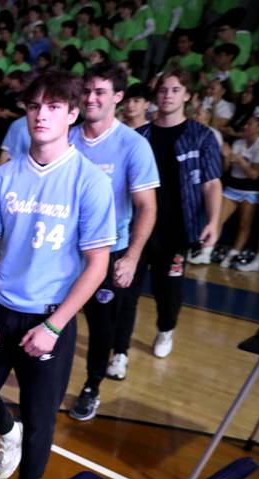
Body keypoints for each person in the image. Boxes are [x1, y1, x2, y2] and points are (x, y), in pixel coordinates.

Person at [0, 68, 116, 479]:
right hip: (0, 310)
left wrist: (54, 325)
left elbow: (98, 263)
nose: (41, 115)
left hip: (49, 319)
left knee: (42, 414)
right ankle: (9, 430)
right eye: (34, 106)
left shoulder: (90, 181)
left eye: (53, 107)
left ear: (72, 113)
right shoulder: (4, 177)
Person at [68, 64, 158, 420]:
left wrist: (132, 257)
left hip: (108, 250)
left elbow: (147, 207)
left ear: (118, 97)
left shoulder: (133, 145)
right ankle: (45, 383)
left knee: (101, 326)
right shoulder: (68, 137)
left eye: (100, 92)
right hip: (62, 249)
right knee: (50, 320)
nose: (91, 98)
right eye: (87, 90)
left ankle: (92, 386)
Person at [120, 69, 222, 359]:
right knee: (126, 290)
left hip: (178, 229)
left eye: (175, 90)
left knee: (168, 291)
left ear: (187, 95)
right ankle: (120, 351)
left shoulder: (202, 136)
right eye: (163, 90)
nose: (168, 95)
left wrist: (213, 221)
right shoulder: (139, 136)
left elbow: (212, 183)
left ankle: (166, 329)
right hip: (137, 227)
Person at [215, 116, 259, 268]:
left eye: (249, 124)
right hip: (232, 187)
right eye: (246, 123)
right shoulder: (238, 142)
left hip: (250, 190)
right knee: (218, 219)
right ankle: (206, 250)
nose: (245, 126)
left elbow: (254, 175)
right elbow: (226, 169)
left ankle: (234, 253)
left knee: (244, 224)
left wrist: (240, 160)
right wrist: (226, 157)